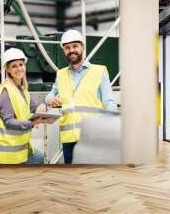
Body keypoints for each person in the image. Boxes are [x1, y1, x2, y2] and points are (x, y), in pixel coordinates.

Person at [46, 29, 119, 164]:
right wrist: (49, 99)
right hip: (68, 139)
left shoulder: (99, 71)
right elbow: (50, 95)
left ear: (82, 47)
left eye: (75, 46)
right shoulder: (61, 74)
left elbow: (110, 103)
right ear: (64, 51)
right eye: (67, 47)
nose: (71, 50)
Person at [0, 48, 54, 164]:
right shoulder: (6, 91)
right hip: (9, 154)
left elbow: (35, 109)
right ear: (8, 70)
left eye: (21, 64)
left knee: (41, 159)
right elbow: (9, 122)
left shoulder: (22, 90)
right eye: (14, 66)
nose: (19, 68)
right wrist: (33, 123)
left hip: (22, 148)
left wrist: (48, 104)